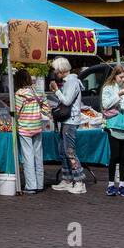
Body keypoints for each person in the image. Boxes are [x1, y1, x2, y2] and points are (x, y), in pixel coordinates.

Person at [49, 57, 86, 195]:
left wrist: (56, 91)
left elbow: (67, 100)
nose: (55, 73)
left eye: (56, 70)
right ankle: (67, 179)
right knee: (63, 150)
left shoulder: (71, 82)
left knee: (69, 151)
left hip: (70, 121)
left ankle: (79, 180)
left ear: (62, 70)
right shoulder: (70, 82)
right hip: (68, 121)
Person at [13, 68, 47, 194]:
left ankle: (31, 186)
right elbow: (46, 107)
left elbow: (16, 111)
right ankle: (40, 183)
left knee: (28, 156)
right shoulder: (38, 91)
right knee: (38, 156)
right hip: (37, 126)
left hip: (25, 127)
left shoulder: (19, 94)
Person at [101, 64, 124, 197]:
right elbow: (106, 104)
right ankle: (110, 184)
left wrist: (120, 104)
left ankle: (122, 185)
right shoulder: (108, 88)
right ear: (115, 76)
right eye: (121, 77)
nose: (123, 80)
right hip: (113, 125)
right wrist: (118, 95)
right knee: (114, 155)